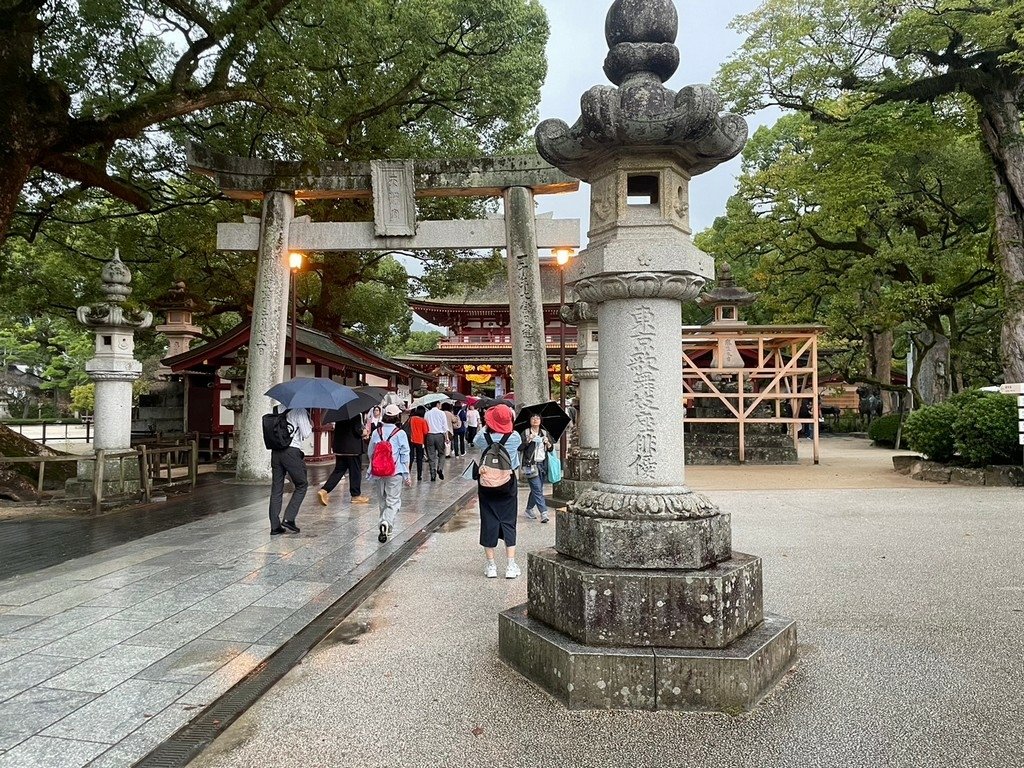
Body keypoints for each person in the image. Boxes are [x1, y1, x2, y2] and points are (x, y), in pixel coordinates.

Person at [473, 404, 523, 579]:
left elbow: (475, 439)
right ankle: (510, 565)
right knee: (509, 521)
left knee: (488, 520)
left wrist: (487, 426)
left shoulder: (483, 437)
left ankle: (491, 566)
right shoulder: (515, 437)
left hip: (486, 483)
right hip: (508, 482)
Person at [366, 405, 411, 543]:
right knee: (393, 500)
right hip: (395, 471)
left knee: (382, 500)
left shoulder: (376, 432)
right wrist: (406, 474)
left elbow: (370, 452)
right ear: (397, 417)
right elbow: (405, 454)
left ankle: (384, 524)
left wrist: (371, 467)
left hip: (379, 472)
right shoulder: (400, 433)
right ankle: (386, 523)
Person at [269, 408, 312, 535]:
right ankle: (289, 518)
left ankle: (275, 526)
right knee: (302, 485)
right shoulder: (299, 410)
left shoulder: (277, 408)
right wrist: (310, 423)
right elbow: (306, 433)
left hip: (276, 452)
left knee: (276, 488)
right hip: (291, 451)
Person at [317, 412, 370, 506]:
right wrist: (364, 432)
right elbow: (357, 430)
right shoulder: (355, 414)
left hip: (340, 448)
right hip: (353, 449)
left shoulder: (339, 415)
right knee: (355, 472)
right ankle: (355, 495)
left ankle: (324, 490)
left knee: (338, 471)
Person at [519, 413, 553, 523]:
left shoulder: (544, 433)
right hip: (530, 465)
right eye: (533, 418)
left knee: (537, 489)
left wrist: (547, 443)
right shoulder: (525, 432)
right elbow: (520, 448)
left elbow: (551, 449)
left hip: (542, 464)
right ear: (529, 420)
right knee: (538, 489)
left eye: (537, 418)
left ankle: (529, 509)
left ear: (540, 420)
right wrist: (528, 440)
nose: (535, 420)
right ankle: (544, 513)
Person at [424, 400, 450, 481]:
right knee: (441, 454)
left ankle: (432, 473)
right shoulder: (441, 413)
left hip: (430, 435)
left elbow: (425, 425)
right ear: (437, 404)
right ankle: (440, 468)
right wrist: (447, 437)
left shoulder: (427, 413)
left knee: (431, 455)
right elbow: (445, 426)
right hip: (439, 435)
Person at [406, 405, 429, 481]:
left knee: (411, 457)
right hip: (420, 441)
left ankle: (408, 472)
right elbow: (425, 432)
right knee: (419, 459)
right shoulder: (423, 421)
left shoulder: (411, 419)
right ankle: (419, 475)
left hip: (411, 440)